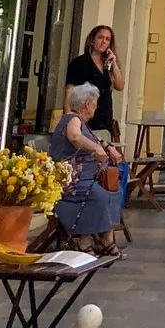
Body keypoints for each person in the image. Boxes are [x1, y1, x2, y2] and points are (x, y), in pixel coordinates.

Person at [49, 83, 126, 253]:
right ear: (88, 103)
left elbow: (91, 138)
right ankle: (87, 239)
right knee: (100, 195)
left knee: (113, 191)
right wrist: (95, 149)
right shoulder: (72, 119)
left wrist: (106, 146)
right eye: (95, 103)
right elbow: (75, 137)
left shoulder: (79, 120)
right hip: (71, 182)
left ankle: (104, 238)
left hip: (82, 179)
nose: (96, 107)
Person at [65, 25, 126, 141]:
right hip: (85, 116)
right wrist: (69, 119)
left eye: (108, 39)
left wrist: (114, 64)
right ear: (92, 40)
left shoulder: (107, 64)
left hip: (105, 117)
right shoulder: (79, 63)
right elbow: (69, 91)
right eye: (100, 37)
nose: (104, 42)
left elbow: (120, 86)